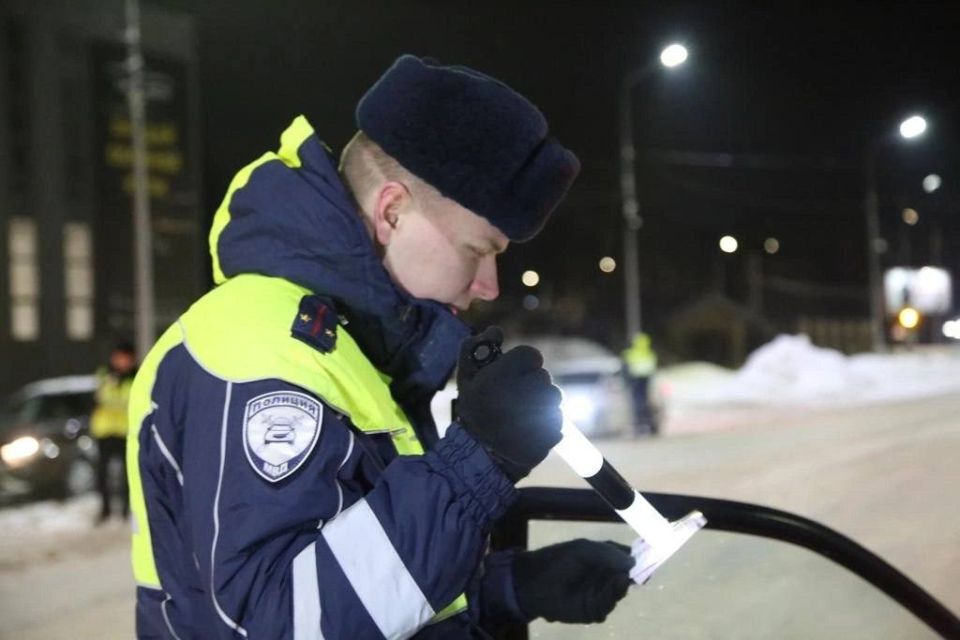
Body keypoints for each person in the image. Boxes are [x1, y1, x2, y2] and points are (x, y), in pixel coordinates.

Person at [127, 55, 635, 638]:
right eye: (477, 250)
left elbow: (359, 573)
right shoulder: (260, 349)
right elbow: (279, 620)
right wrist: (477, 464)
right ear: (392, 211)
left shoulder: (351, 344)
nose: (489, 285)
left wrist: (509, 587)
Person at [90, 341, 136, 523]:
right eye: (118, 357)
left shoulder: (136, 377)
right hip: (104, 431)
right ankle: (105, 509)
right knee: (102, 473)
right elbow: (99, 397)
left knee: (128, 474)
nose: (120, 361)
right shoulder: (104, 375)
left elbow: (130, 400)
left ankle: (126, 510)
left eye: (124, 358)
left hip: (125, 431)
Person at [622, 332, 659, 436]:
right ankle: (647, 424)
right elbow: (652, 369)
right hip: (645, 382)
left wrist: (626, 382)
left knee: (637, 404)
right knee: (645, 403)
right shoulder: (650, 353)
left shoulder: (630, 353)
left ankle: (639, 424)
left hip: (635, 382)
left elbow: (625, 369)